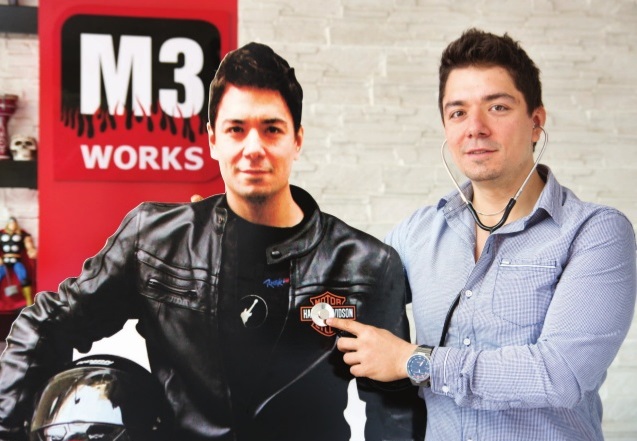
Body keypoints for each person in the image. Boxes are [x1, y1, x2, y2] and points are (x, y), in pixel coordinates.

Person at [0, 42, 425, 441]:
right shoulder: (154, 240)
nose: (253, 147)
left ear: (297, 139)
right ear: (212, 139)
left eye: (272, 129)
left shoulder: (365, 265)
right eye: (236, 129)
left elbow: (394, 412)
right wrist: (7, 426)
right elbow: (47, 324)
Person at [327, 28, 637, 440]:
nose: (475, 127)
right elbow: (343, 298)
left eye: (497, 107)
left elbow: (560, 374)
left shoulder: (595, 233)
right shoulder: (417, 234)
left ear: (536, 123)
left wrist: (413, 361)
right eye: (458, 112)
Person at [0, 217, 36, 306]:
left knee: (24, 278)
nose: (12, 225)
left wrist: (31, 250)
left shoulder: (22, 234)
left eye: (14, 223)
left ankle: (29, 302)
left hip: (16, 260)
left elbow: (29, 245)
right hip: (4, 261)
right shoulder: (1, 234)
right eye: (11, 223)